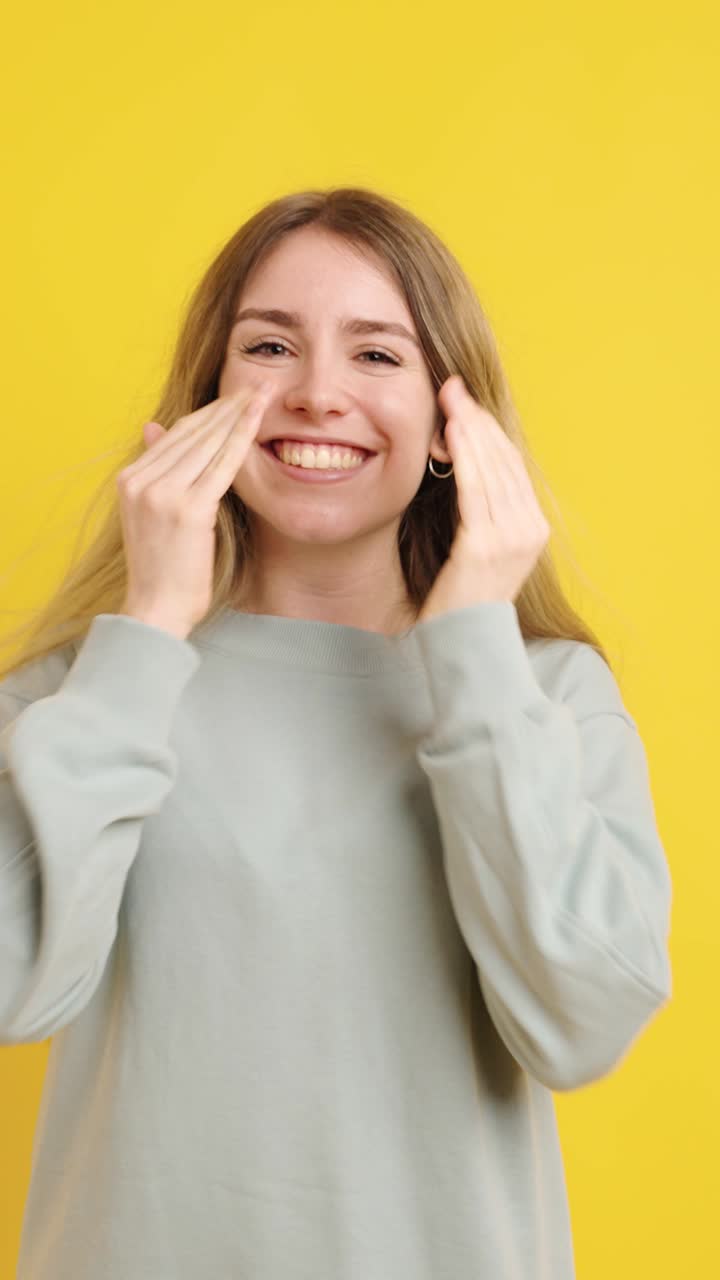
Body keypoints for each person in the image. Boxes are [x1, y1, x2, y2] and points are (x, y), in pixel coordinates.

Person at [0, 186, 672, 1279]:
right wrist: (150, 629)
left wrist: (472, 653)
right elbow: (10, 985)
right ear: (208, 395)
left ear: (457, 425)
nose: (316, 394)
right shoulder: (83, 686)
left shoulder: (547, 693)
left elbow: (582, 1021)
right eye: (270, 345)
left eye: (377, 355)